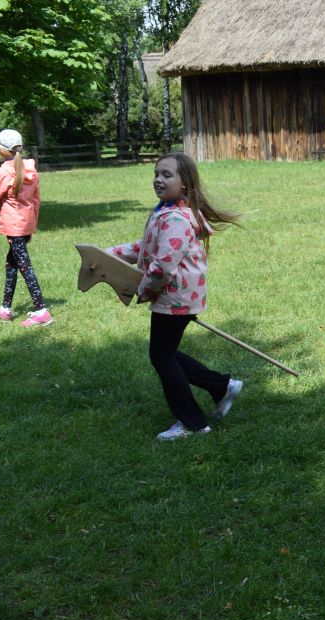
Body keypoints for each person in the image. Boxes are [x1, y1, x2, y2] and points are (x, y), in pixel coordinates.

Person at [107, 153, 243, 441]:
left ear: (184, 183)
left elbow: (163, 266)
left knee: (162, 356)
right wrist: (110, 254)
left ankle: (193, 423)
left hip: (175, 297)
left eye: (167, 175)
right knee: (165, 353)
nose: (158, 179)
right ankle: (222, 386)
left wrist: (142, 290)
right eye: (157, 174)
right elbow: (147, 247)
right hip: (178, 296)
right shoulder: (166, 210)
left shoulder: (176, 218)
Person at [0, 129, 52, 327]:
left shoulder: (1, 172)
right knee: (12, 264)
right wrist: (32, 224)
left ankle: (42, 311)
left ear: (3, 150)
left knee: (25, 267)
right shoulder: (30, 169)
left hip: (13, 226)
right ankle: (5, 308)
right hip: (25, 224)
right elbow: (36, 200)